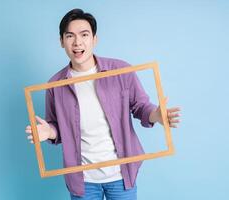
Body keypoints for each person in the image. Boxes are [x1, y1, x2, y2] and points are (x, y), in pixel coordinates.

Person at [25, 8, 180, 200]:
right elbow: (57, 127)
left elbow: (140, 106)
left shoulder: (121, 70)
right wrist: (49, 132)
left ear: (94, 39)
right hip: (83, 180)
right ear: (61, 41)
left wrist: (155, 116)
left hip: (121, 174)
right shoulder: (55, 85)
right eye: (70, 36)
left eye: (84, 35)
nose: (77, 42)